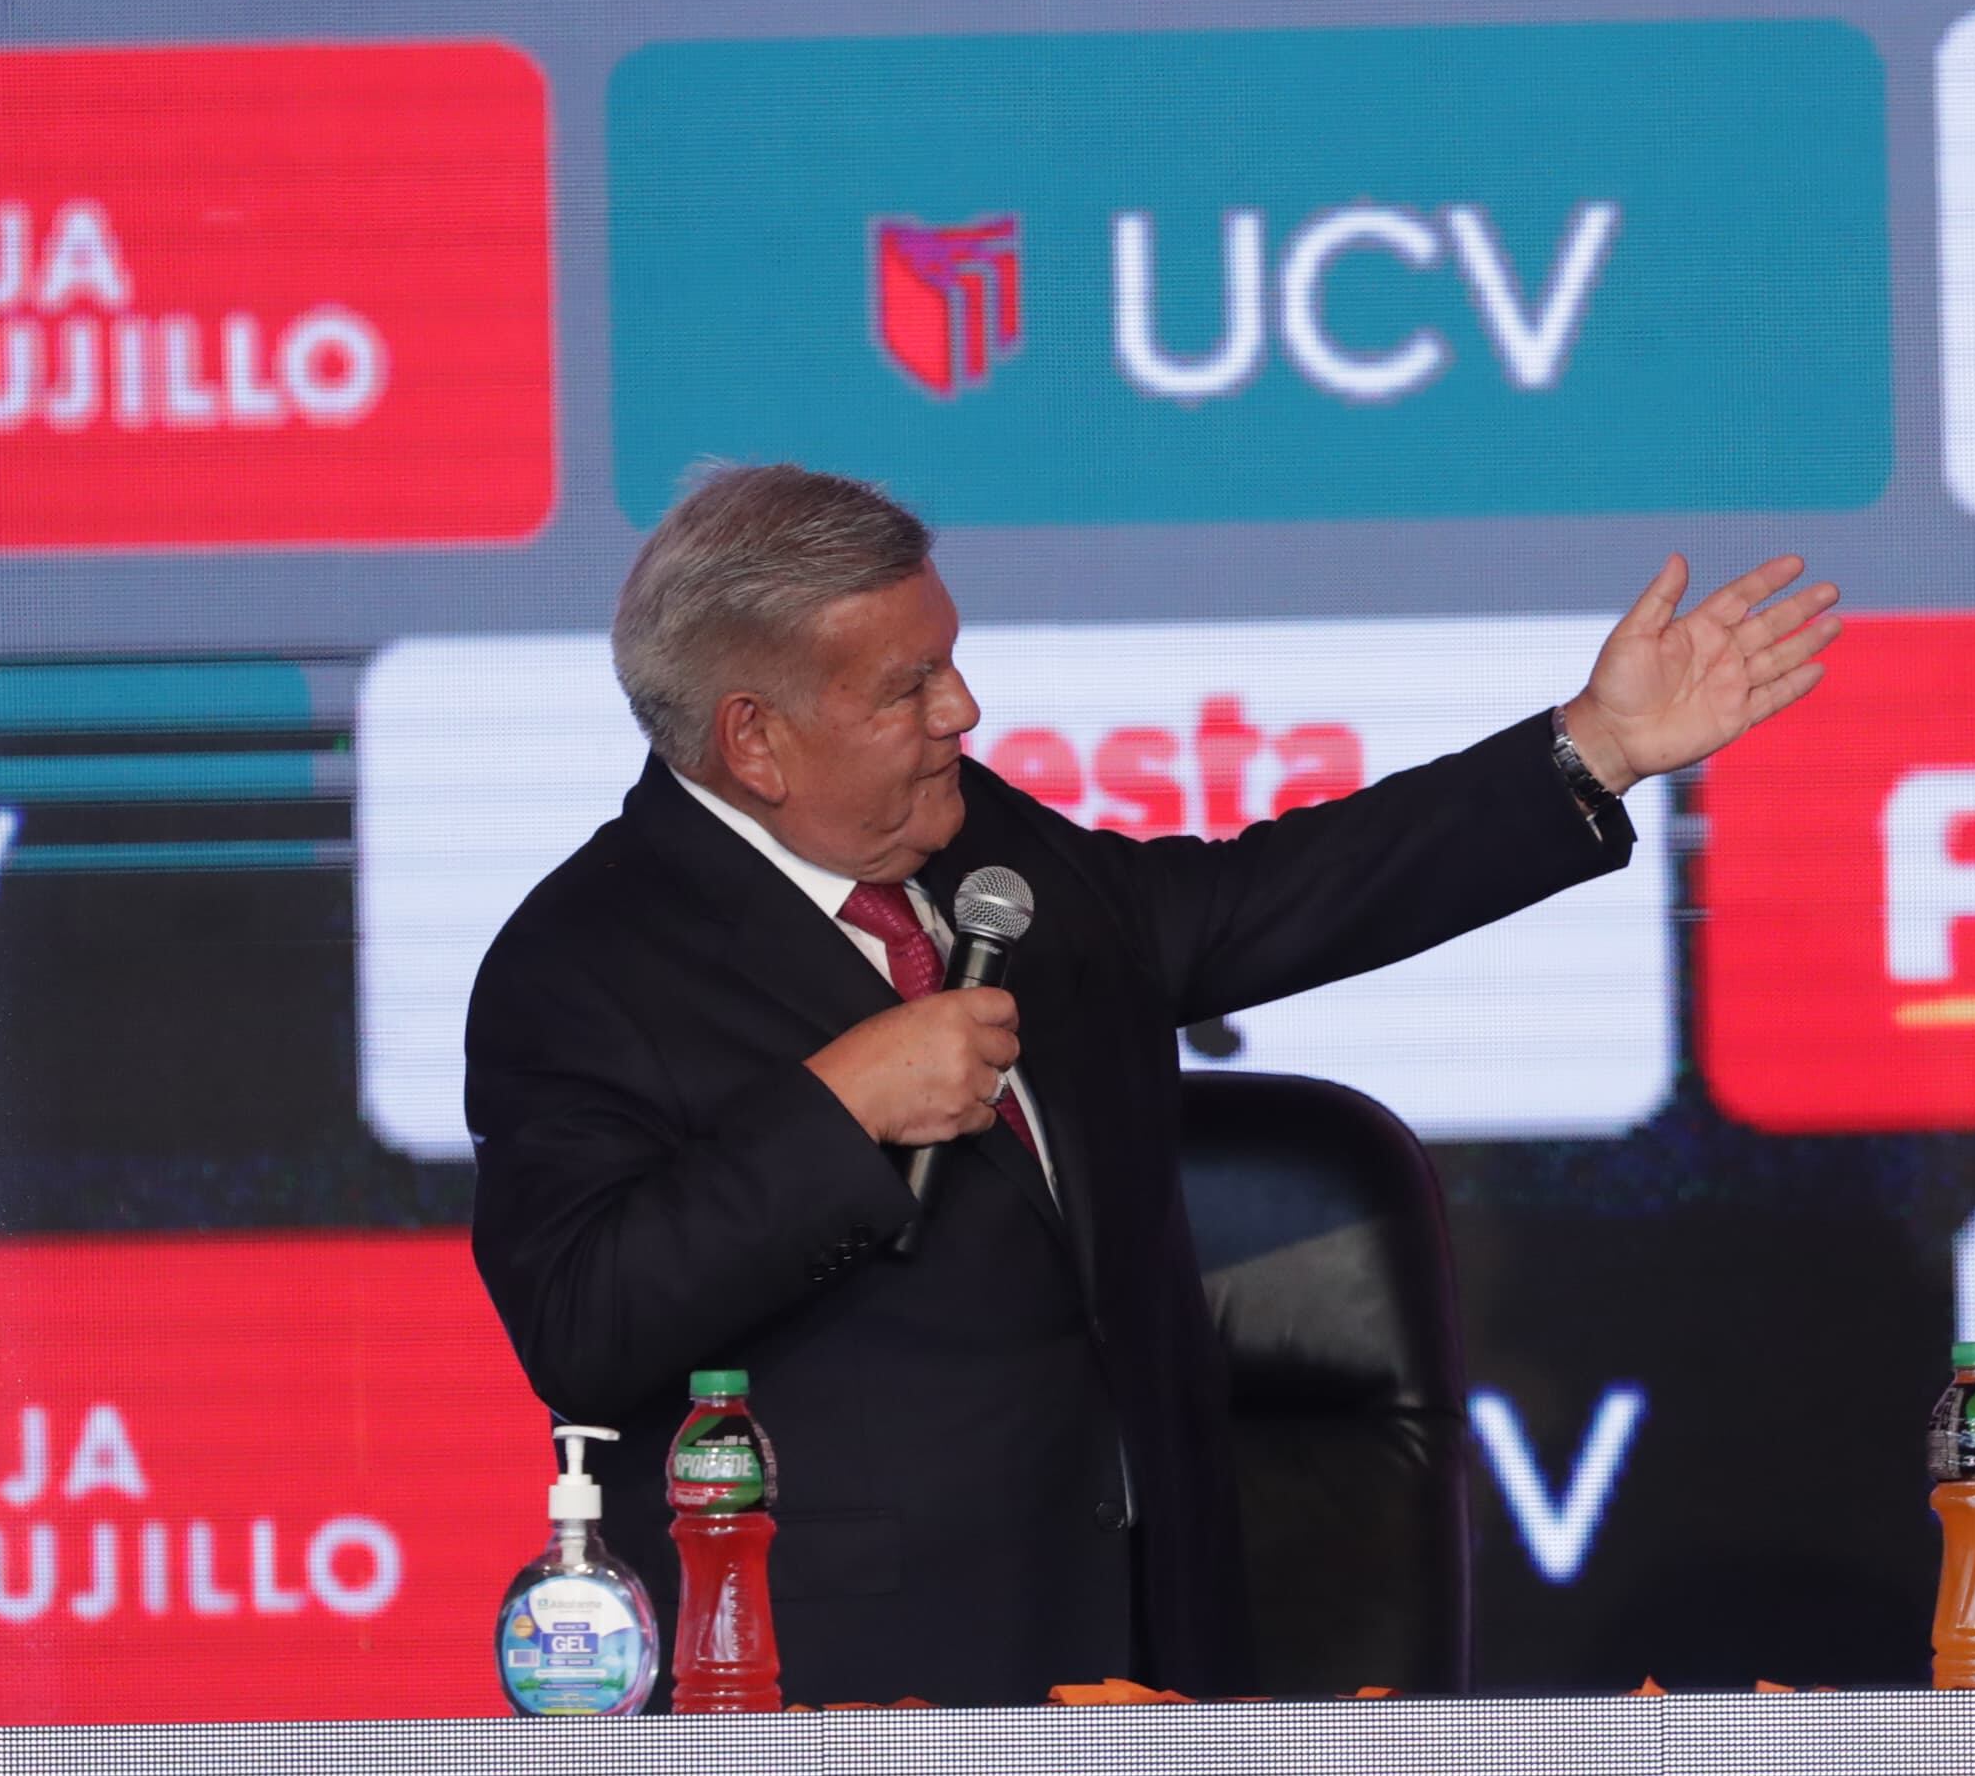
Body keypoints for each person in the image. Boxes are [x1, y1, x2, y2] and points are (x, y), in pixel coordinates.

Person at [465, 464, 1835, 1705]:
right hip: (847, 1704)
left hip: (1151, 1667)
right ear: (754, 740)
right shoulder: (583, 964)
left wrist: (1586, 748)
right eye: (907, 687)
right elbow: (585, 1324)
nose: (963, 709)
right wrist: (837, 1114)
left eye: (949, 664)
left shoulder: (981, 843)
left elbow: (1249, 905)